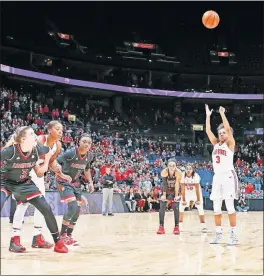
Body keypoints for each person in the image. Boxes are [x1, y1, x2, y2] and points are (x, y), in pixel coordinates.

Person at [0, 126, 68, 253]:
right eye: (32, 134)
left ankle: (58, 243)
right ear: (23, 139)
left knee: (46, 208)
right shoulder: (10, 151)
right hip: (5, 182)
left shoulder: (38, 149)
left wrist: (49, 159)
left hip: (25, 183)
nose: (35, 135)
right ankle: (14, 240)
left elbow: (43, 165)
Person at [205, 105, 239, 245]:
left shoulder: (230, 143)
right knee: (216, 207)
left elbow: (227, 125)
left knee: (230, 206)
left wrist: (222, 114)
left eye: (223, 133)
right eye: (220, 133)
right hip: (217, 177)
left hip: (228, 176)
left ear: (229, 134)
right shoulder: (215, 144)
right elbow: (207, 130)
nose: (221, 135)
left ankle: (233, 234)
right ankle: (218, 234)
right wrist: (208, 116)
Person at [56, 134, 95, 246]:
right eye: (84, 141)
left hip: (75, 183)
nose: (86, 144)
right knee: (72, 206)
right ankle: (62, 235)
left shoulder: (90, 156)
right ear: (79, 142)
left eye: (89, 142)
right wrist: (61, 174)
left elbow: (87, 169)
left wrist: (91, 183)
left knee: (77, 211)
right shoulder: (71, 153)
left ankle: (68, 236)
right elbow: (55, 162)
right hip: (63, 181)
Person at [157, 159, 182, 235]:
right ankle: (161, 226)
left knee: (176, 206)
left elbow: (177, 184)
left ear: (175, 166)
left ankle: (176, 227)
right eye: (170, 166)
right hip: (166, 189)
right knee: (162, 205)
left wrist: (177, 195)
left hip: (175, 189)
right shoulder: (164, 172)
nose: (172, 167)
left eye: (173, 166)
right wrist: (164, 195)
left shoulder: (178, 172)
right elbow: (164, 184)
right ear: (167, 166)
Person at [179, 164, 207, 232]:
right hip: (187, 194)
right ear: (185, 170)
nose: (188, 170)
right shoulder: (182, 176)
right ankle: (179, 226)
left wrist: (198, 200)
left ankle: (203, 227)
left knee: (200, 209)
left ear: (192, 170)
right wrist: (183, 200)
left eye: (190, 169)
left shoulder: (196, 176)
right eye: (187, 169)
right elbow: (182, 189)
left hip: (196, 194)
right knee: (181, 207)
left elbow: (197, 189)